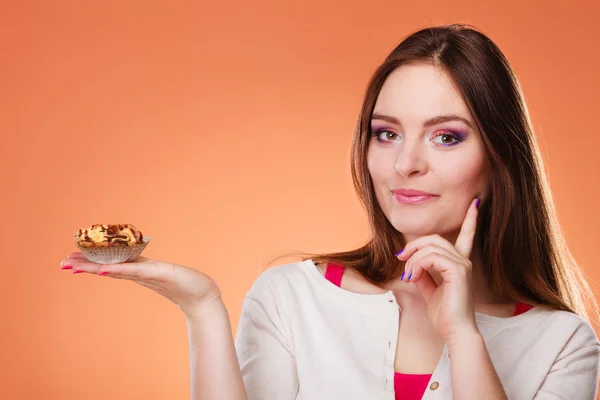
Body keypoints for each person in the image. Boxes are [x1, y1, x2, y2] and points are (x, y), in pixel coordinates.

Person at [61, 24, 600, 399]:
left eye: (445, 136)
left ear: (499, 157)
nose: (404, 164)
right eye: (386, 133)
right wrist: (204, 309)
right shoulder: (291, 299)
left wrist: (463, 336)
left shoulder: (565, 344)